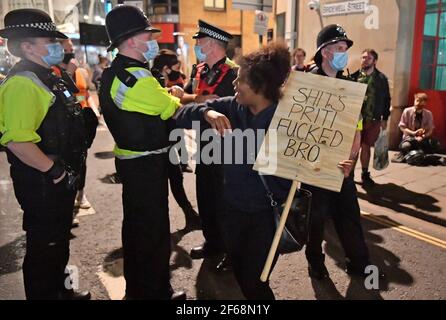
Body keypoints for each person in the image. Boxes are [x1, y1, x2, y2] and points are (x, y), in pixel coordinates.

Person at [176, 42, 309, 299]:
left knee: (254, 282)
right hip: (232, 211)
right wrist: (208, 113)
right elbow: (182, 114)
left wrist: (334, 166)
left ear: (260, 85)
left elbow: (312, 164)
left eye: (240, 80)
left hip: (267, 217)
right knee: (239, 271)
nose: (235, 85)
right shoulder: (235, 107)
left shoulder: (287, 120)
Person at [0, 9, 92, 300]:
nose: (57, 45)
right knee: (44, 247)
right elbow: (17, 140)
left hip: (59, 177)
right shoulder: (22, 83)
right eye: (49, 39)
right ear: (26, 46)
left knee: (57, 243)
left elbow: (75, 104)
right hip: (43, 182)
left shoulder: (52, 75)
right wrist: (57, 173)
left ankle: (60, 292)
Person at [100, 5, 185, 300]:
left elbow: (160, 99)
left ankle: (140, 289)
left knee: (138, 231)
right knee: (151, 233)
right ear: (132, 40)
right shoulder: (132, 78)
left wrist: (168, 96)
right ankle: (154, 292)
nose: (153, 41)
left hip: (139, 165)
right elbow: (172, 108)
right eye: (148, 35)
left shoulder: (128, 72)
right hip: (145, 167)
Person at [303, 24, 372, 280]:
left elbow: (357, 127)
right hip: (314, 166)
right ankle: (315, 260)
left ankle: (359, 262)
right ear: (326, 52)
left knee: (349, 215)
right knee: (316, 218)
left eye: (345, 49)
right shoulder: (306, 83)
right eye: (340, 48)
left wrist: (352, 160)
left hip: (343, 164)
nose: (344, 54)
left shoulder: (348, 85)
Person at [183, 20, 238, 269]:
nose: (196, 46)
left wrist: (199, 103)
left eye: (200, 42)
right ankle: (212, 242)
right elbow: (184, 101)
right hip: (204, 142)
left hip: (229, 146)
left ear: (214, 44)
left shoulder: (235, 74)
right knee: (205, 195)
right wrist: (200, 101)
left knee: (227, 201)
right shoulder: (200, 70)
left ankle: (231, 251)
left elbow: (234, 109)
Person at [152, 50, 200, 229]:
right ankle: (187, 217)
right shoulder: (153, 79)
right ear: (165, 68)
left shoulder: (162, 79)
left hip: (169, 137)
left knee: (176, 176)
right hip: (159, 140)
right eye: (175, 67)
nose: (177, 71)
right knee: (169, 179)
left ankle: (190, 216)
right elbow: (163, 102)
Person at [351, 49, 391, 186]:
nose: (364, 60)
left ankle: (364, 173)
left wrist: (385, 118)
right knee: (354, 147)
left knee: (366, 146)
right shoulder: (354, 76)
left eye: (368, 58)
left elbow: (387, 99)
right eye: (363, 57)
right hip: (357, 119)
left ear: (374, 61)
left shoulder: (381, 79)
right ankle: (349, 173)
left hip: (373, 119)